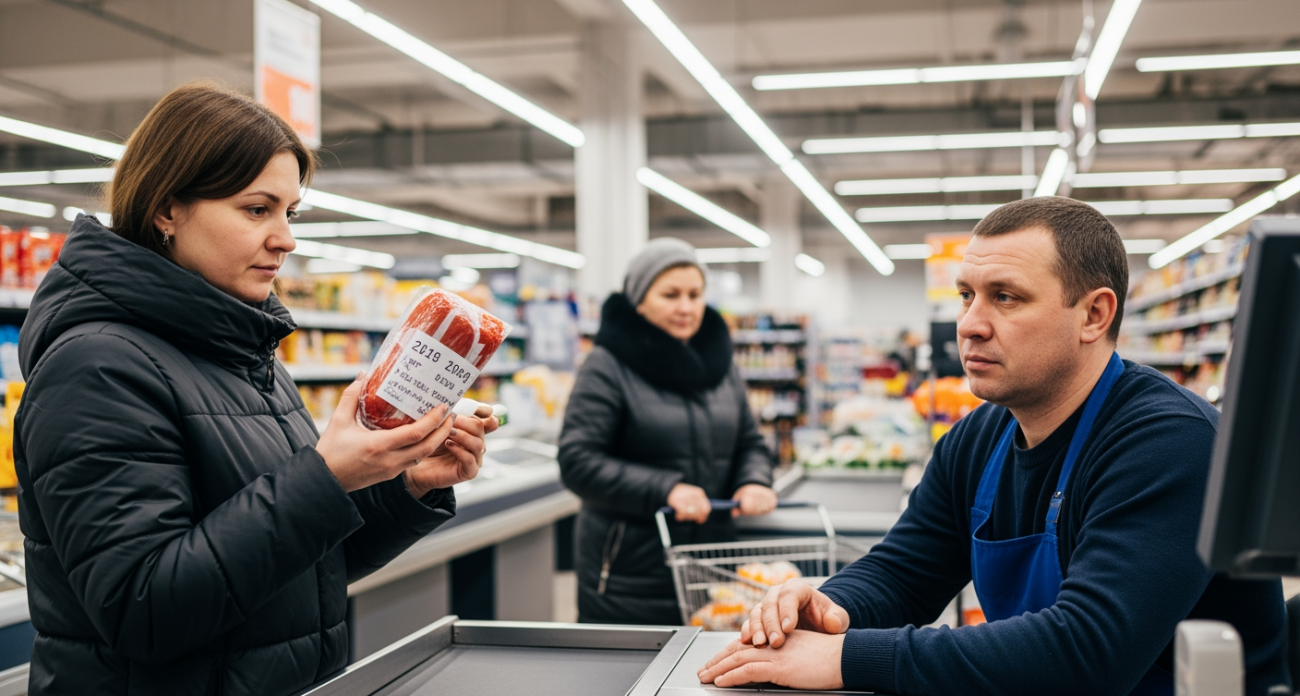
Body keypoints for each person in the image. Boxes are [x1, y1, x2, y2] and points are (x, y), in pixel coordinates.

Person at [14, 83, 498, 696]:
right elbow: (143, 611)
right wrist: (327, 478)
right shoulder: (96, 367)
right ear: (167, 209)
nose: (286, 239)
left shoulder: (245, 356)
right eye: (256, 209)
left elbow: (302, 573)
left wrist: (403, 485)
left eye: (290, 212)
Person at [698, 197, 1290, 695]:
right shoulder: (981, 436)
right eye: (966, 295)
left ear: (1094, 314)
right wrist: (829, 608)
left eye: (1005, 296)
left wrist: (845, 657)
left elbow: (1091, 649)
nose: (971, 324)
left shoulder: (1168, 441)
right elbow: (906, 571)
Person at [559, 238, 778, 625]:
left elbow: (750, 443)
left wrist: (754, 480)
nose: (686, 307)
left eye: (695, 294)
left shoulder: (720, 364)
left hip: (714, 566)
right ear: (639, 299)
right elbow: (578, 461)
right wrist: (666, 489)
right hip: (631, 574)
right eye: (671, 294)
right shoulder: (607, 365)